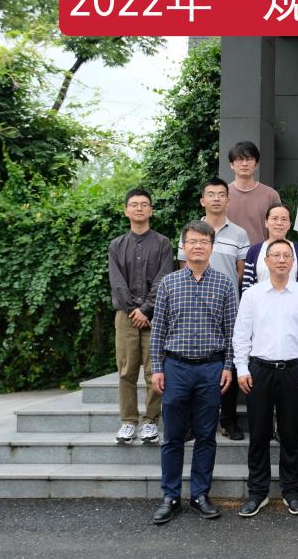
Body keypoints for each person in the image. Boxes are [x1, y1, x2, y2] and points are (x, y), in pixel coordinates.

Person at [149, 221, 236, 525]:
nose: (198, 246)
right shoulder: (169, 283)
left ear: (212, 247)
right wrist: (157, 368)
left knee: (206, 436)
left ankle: (200, 494)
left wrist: (228, 366)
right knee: (173, 436)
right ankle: (170, 496)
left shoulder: (224, 284)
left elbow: (232, 331)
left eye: (204, 242)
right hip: (176, 368)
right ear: (183, 247)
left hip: (211, 368)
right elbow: (158, 330)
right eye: (193, 242)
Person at [233, 239, 298, 518]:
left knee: (291, 434)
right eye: (276, 255)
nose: (281, 260)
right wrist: (242, 369)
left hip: (293, 370)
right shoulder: (252, 295)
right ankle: (257, 492)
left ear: (293, 262)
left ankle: (291, 490)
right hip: (259, 371)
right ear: (266, 261)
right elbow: (241, 335)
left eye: (286, 255)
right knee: (258, 434)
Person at [177, 178, 250, 441]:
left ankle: (228, 420)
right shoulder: (190, 231)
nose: (216, 199)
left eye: (221, 194)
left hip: (227, 307)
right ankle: (190, 423)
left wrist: (221, 292)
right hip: (194, 308)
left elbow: (240, 273)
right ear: (202, 200)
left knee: (228, 359)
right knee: (192, 362)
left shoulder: (239, 233)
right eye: (211, 194)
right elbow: (183, 268)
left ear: (228, 200)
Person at [108, 188, 173, 445]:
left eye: (144, 204)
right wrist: (133, 310)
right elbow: (117, 282)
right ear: (126, 210)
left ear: (151, 210)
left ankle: (150, 422)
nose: (139, 208)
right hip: (125, 317)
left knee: (154, 370)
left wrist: (146, 309)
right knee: (126, 370)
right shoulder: (116, 245)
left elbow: (163, 278)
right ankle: (128, 421)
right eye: (134, 204)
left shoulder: (163, 243)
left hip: (155, 317)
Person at [242, 203, 298, 291]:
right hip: (260, 299)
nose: (279, 223)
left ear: (289, 224)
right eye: (274, 218)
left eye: (284, 219)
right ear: (266, 223)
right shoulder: (254, 251)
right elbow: (247, 287)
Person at [226, 141, 281, 244]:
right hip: (228, 251)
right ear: (231, 165)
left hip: (261, 251)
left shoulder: (271, 195)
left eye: (249, 159)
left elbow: (278, 228)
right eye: (239, 159)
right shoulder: (222, 194)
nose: (244, 163)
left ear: (256, 164)